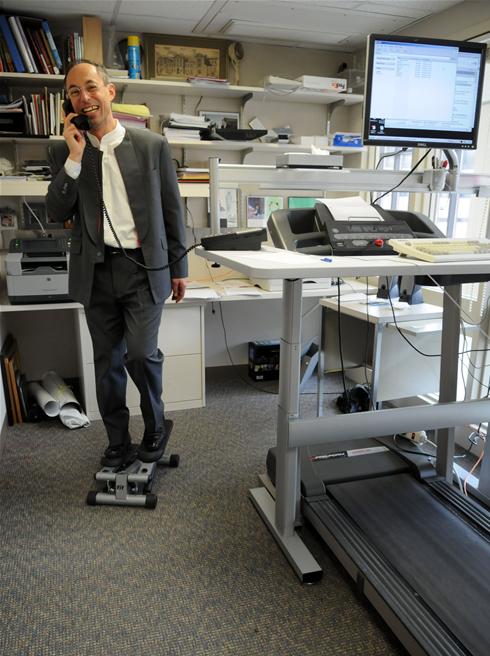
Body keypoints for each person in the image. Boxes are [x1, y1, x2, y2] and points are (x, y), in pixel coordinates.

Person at [46, 60, 188, 467]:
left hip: (143, 269)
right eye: (74, 92)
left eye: (91, 87)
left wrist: (179, 268)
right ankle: (117, 440)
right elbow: (56, 211)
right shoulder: (64, 150)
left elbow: (172, 210)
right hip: (95, 271)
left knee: (141, 355)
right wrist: (76, 157)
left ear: (110, 92)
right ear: (68, 103)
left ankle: (155, 425)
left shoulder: (151, 145)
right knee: (106, 363)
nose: (84, 97)